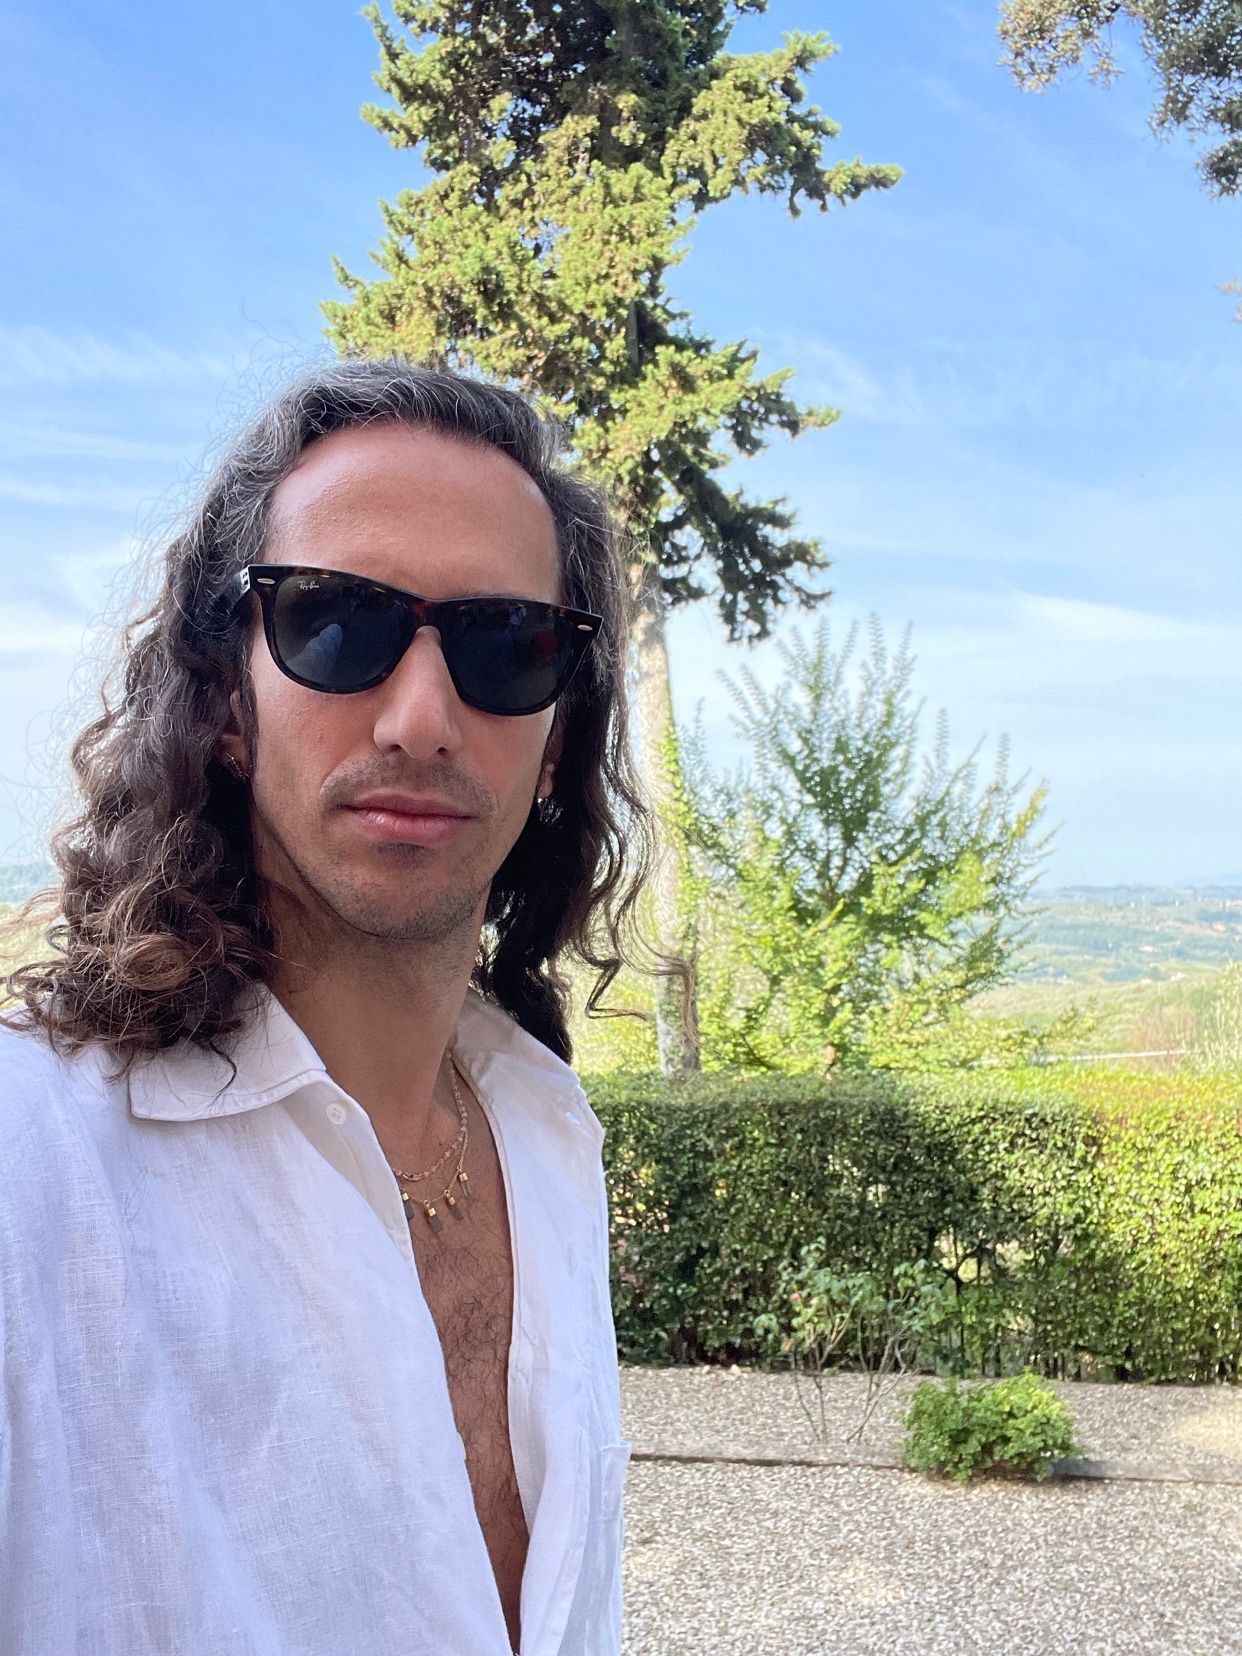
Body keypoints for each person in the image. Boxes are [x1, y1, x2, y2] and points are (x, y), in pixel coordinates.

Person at [0, 360, 653, 1656]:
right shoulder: (33, 1170)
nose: (419, 719)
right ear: (226, 700)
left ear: (560, 739)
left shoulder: (542, 1135)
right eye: (335, 624)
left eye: (504, 644)